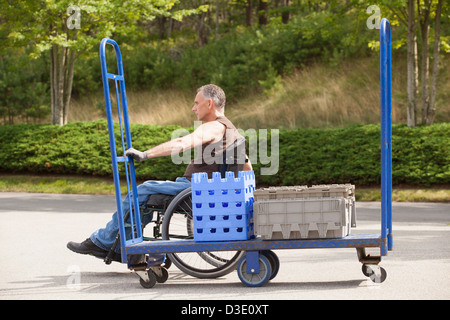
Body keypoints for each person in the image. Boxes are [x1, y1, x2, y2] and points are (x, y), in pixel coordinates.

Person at [67, 84, 252, 261]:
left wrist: (145, 154)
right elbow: (247, 166)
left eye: (196, 103)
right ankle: (119, 247)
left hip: (193, 189)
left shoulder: (213, 127)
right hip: (201, 188)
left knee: (141, 191)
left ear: (209, 103)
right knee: (145, 197)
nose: (193, 108)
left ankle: (101, 241)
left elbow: (181, 144)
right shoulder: (233, 131)